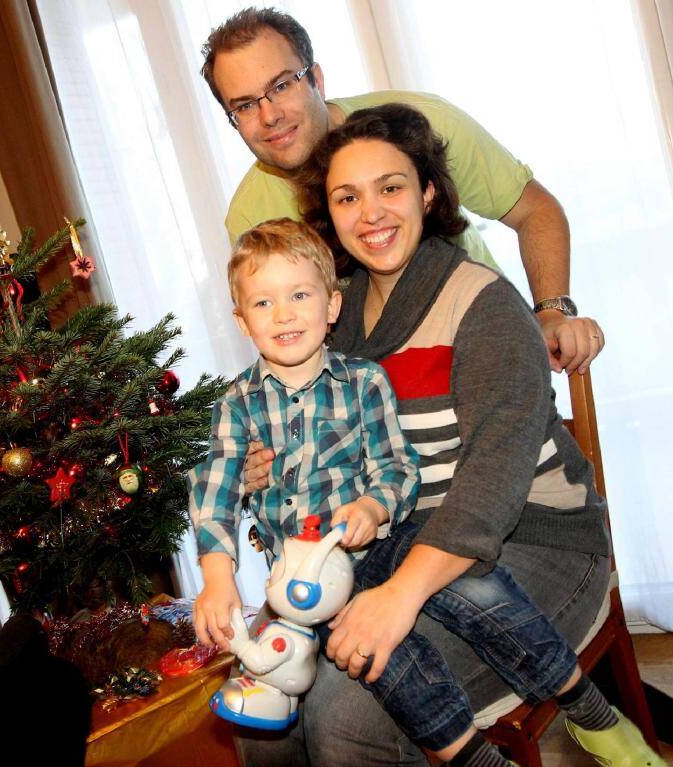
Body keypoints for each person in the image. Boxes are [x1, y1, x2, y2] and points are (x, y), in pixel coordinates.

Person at [189, 216, 660, 766]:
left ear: (331, 307)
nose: (285, 314)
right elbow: (216, 481)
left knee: (477, 590)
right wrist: (217, 577)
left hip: (381, 542)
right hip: (303, 580)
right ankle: (473, 758)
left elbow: (397, 466)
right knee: (370, 663)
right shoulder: (237, 403)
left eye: (299, 295)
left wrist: (372, 504)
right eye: (263, 303)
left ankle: (585, 704)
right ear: (242, 320)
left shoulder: (364, 382)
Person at [201, 7, 604, 377]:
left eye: (282, 85)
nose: (270, 116)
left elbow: (534, 210)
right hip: (377, 420)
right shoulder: (251, 217)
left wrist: (551, 312)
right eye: (245, 106)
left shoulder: (423, 125)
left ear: (316, 80)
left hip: (486, 362)